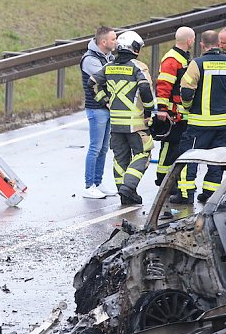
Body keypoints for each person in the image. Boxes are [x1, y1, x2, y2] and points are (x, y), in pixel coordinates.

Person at [171, 30, 226, 204]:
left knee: (189, 157)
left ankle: (186, 194)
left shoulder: (197, 64)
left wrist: (189, 108)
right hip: (222, 124)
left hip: (199, 123)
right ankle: (210, 194)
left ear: (202, 45)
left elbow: (187, 91)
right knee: (217, 160)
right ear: (219, 44)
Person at [89, 30, 155, 205]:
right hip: (136, 124)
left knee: (120, 158)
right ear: (133, 48)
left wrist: (105, 101)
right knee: (143, 153)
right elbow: (146, 90)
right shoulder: (138, 67)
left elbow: (92, 83)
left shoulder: (108, 67)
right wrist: (149, 113)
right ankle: (129, 186)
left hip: (117, 123)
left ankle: (125, 195)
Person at [153, 27, 195, 191]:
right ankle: (163, 180)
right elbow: (164, 85)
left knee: (176, 147)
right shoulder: (173, 59)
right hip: (173, 114)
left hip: (180, 113)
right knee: (169, 147)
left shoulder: (182, 58)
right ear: (189, 40)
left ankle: (171, 181)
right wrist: (163, 109)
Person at [80, 26, 118, 199]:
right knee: (95, 148)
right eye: (113, 39)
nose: (116, 42)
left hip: (106, 107)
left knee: (103, 148)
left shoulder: (107, 57)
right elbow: (107, 77)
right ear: (103, 42)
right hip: (96, 109)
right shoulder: (90, 59)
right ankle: (89, 186)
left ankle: (98, 182)